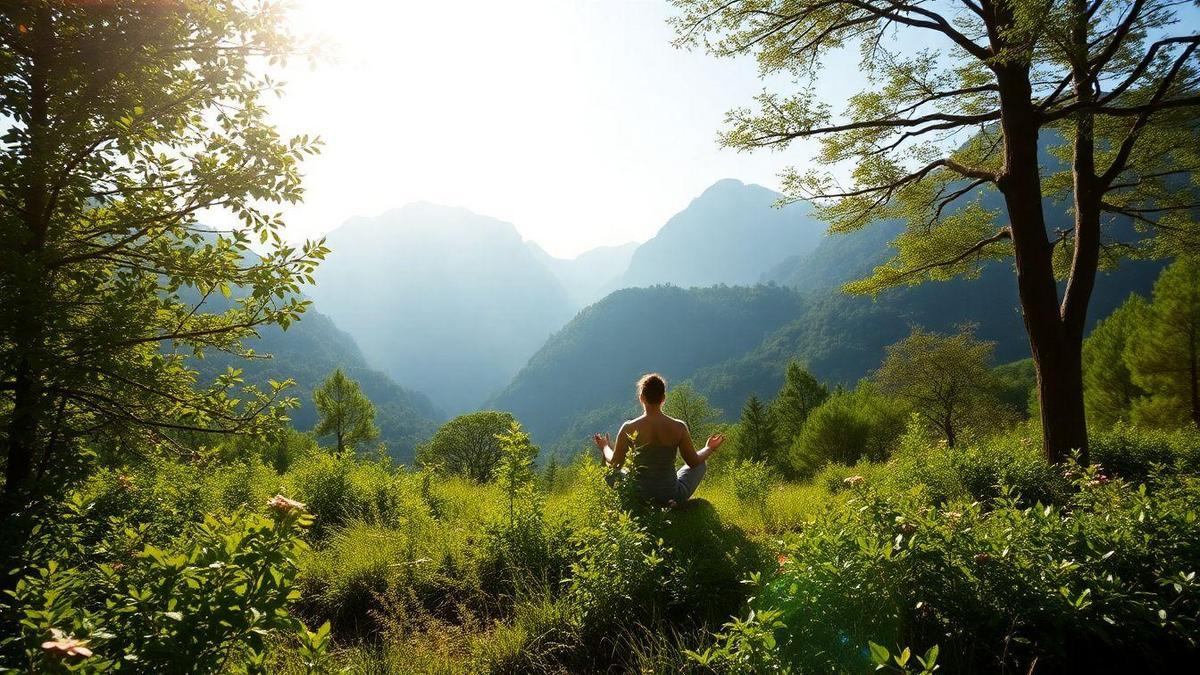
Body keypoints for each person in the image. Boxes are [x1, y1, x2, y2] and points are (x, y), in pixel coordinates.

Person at [593, 373, 724, 506]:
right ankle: (673, 505)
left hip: (637, 495)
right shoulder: (678, 426)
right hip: (671, 495)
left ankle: (639, 504)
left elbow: (616, 463)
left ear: (641, 398)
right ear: (663, 398)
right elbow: (693, 462)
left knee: (609, 469)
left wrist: (604, 447)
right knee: (701, 463)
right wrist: (709, 448)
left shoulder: (629, 427)